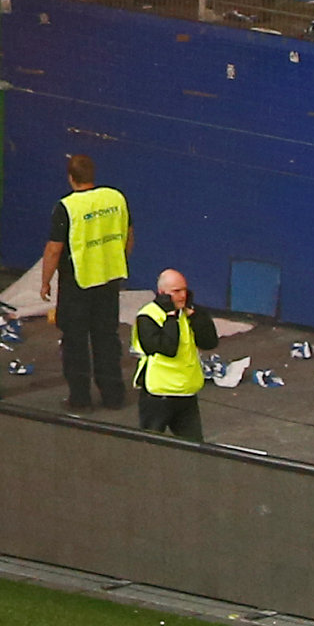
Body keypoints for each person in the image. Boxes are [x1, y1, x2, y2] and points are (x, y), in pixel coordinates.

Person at [38, 154, 131, 414]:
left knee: (75, 342)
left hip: (77, 284)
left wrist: (45, 282)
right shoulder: (115, 198)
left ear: (71, 178)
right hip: (109, 279)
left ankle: (80, 399)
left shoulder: (66, 207)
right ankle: (113, 396)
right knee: (107, 338)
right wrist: (118, 261)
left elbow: (54, 250)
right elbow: (128, 235)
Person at [131, 268, 215, 442]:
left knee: (194, 446)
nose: (182, 296)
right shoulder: (147, 317)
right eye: (176, 291)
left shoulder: (188, 313)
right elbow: (168, 348)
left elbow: (209, 342)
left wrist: (195, 316)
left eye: (185, 290)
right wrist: (171, 317)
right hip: (158, 394)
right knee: (150, 444)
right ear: (162, 293)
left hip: (186, 392)